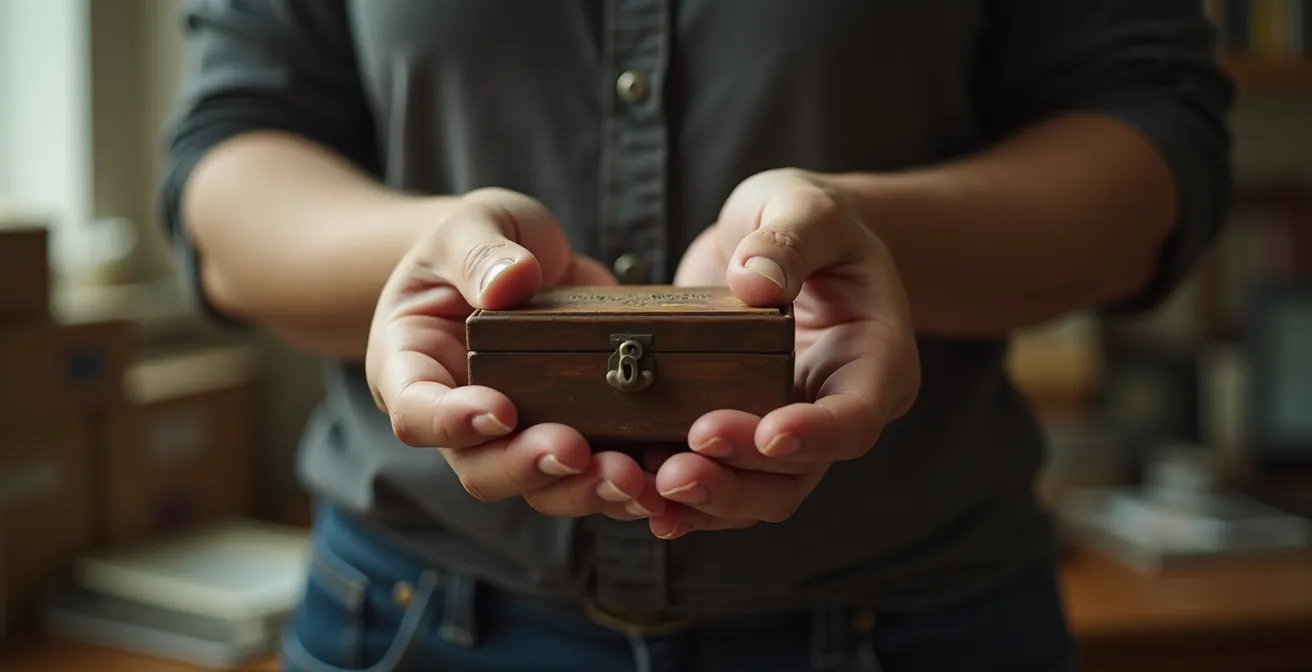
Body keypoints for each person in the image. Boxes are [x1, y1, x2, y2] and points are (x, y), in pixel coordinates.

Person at [160, 1, 1232, 670]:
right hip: (411, 618)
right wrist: (431, 256)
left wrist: (862, 238)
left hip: (917, 623)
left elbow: (1155, 151)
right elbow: (228, 166)